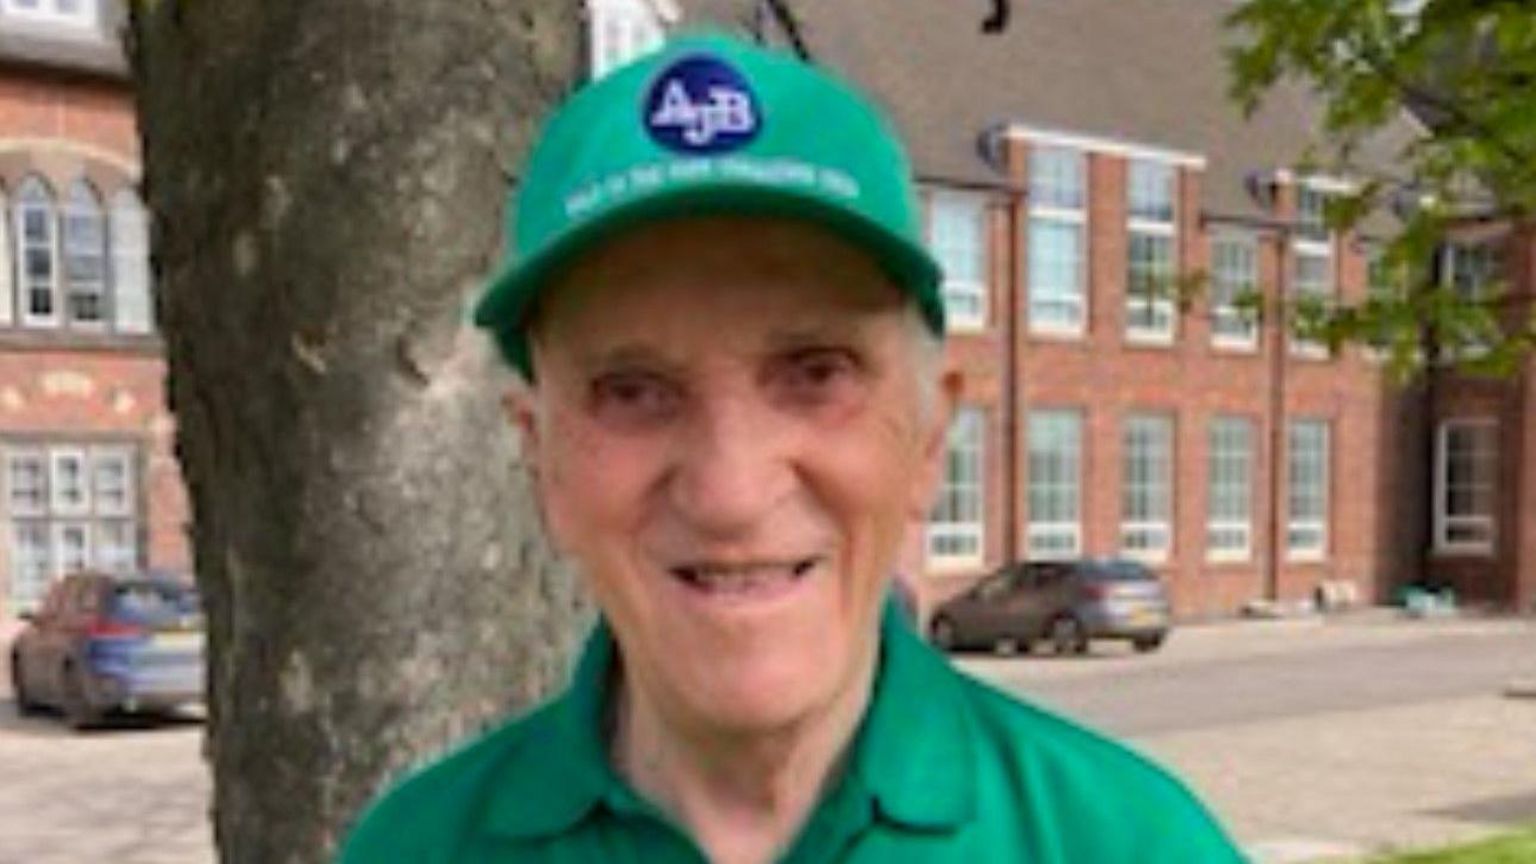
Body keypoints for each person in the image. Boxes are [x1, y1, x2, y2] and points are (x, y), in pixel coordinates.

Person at [338, 33, 1246, 864]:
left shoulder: (1129, 843)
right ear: (540, 458)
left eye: (815, 373)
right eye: (632, 391)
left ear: (929, 437)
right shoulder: (415, 849)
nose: (731, 492)